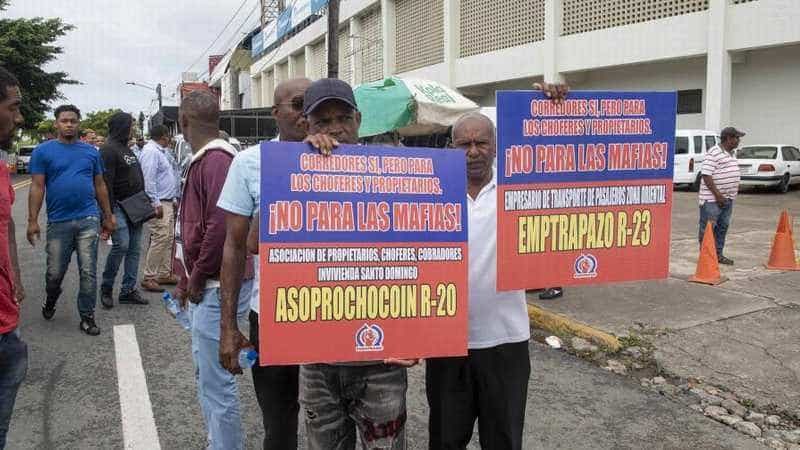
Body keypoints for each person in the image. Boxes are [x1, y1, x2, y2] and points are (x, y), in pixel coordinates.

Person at [217, 77, 310, 449]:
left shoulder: (346, 159)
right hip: (274, 313)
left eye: (314, 105)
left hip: (336, 310)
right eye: (299, 104)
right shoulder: (249, 163)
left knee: (335, 414)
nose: (309, 113)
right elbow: (235, 247)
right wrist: (228, 326)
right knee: (280, 418)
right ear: (276, 113)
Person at [172, 90, 253, 449]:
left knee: (217, 383)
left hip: (219, 283)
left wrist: (196, 276)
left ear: (183, 122)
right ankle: (216, 441)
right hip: (212, 281)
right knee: (207, 375)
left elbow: (219, 229)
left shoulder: (216, 161)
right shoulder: (207, 159)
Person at [27, 104, 115, 336]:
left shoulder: (91, 152)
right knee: (54, 273)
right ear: (56, 123)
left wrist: (108, 215)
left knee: (88, 271)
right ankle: (51, 298)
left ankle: (87, 317)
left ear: (79, 123)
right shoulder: (42, 152)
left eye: (73, 121)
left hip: (88, 218)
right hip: (58, 222)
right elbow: (37, 187)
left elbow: (100, 185)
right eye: (64, 120)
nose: (69, 124)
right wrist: (32, 220)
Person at [0, 66, 26, 450]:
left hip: (7, 326)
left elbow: (6, 228)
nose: (19, 117)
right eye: (14, 106)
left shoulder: (2, 168)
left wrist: (16, 277)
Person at [99, 112, 148, 308]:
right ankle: (106, 287)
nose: (132, 130)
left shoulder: (126, 149)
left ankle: (128, 290)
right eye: (130, 126)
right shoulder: (108, 150)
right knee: (122, 245)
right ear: (121, 127)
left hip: (135, 205)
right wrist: (108, 214)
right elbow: (105, 184)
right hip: (118, 206)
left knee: (135, 250)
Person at [139, 125, 179, 291]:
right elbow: (149, 180)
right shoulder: (151, 152)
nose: (169, 139)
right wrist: (155, 203)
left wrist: (173, 198)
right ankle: (149, 276)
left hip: (167, 201)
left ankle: (164, 273)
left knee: (168, 237)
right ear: (163, 136)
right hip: (159, 202)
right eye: (168, 136)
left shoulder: (160, 152)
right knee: (160, 237)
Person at [698, 126, 744, 265]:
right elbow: (706, 175)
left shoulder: (731, 153)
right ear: (729, 138)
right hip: (712, 200)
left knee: (722, 227)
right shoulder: (714, 152)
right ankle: (706, 258)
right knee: (708, 229)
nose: (739, 140)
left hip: (727, 199)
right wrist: (718, 195)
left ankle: (718, 255)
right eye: (737, 138)